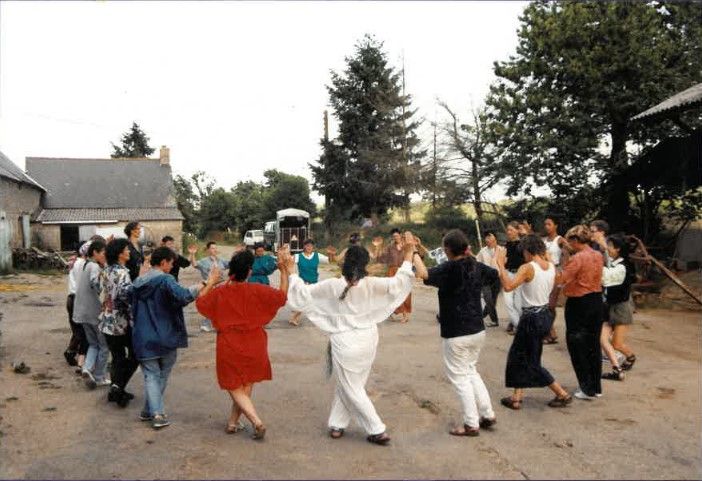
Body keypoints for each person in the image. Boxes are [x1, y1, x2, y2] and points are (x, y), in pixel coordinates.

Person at [285, 233, 425, 445]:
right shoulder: (372, 284)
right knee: (351, 384)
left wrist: (291, 272)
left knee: (352, 386)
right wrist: (408, 255)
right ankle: (337, 424)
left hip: (346, 343)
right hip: (368, 340)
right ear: (365, 264)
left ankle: (376, 429)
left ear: (344, 262)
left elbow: (301, 294)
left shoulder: (333, 285)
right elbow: (400, 282)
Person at [195, 249, 289, 440]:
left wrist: (211, 281)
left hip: (229, 343)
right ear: (248, 271)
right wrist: (284, 271)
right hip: (255, 343)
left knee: (233, 385)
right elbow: (282, 296)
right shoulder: (257, 290)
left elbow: (201, 303)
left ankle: (256, 421)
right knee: (245, 384)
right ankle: (232, 422)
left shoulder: (221, 292)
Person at [416, 229, 498, 436]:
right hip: (477, 328)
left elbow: (424, 274)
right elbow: (494, 275)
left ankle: (471, 423)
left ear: (447, 250)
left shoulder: (449, 268)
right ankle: (487, 414)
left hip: (456, 332)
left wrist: (413, 252)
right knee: (471, 371)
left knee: (460, 378)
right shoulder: (475, 265)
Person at [131, 247, 218, 429]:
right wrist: (206, 283)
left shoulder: (138, 282)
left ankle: (150, 410)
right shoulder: (165, 279)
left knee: (151, 375)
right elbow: (184, 295)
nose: (172, 267)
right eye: (171, 263)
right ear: (163, 263)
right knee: (160, 374)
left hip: (142, 336)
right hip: (165, 335)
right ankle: (157, 414)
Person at [495, 235, 572, 410]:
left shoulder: (528, 267)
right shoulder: (551, 267)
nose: (523, 256)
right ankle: (516, 397)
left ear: (528, 251)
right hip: (544, 314)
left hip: (531, 318)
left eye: (524, 252)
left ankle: (561, 393)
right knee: (525, 356)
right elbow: (557, 287)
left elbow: (508, 286)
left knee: (526, 360)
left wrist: (500, 265)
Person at [556, 225, 604, 400]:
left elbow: (562, 279)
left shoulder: (578, 258)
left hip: (579, 303)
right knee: (593, 345)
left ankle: (586, 386)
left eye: (571, 241)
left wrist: (564, 260)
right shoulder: (598, 255)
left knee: (577, 345)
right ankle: (595, 386)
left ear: (575, 240)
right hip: (596, 300)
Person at [100, 238, 146, 407]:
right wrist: (140, 281)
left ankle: (117, 388)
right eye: (126, 249)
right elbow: (127, 296)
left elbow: (103, 292)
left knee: (118, 357)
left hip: (107, 320)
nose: (129, 252)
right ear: (120, 254)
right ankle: (118, 389)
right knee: (134, 355)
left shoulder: (107, 270)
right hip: (121, 322)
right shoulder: (122, 273)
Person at [73, 239, 111, 389]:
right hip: (94, 313)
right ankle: (99, 376)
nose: (104, 256)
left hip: (82, 312)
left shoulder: (85, 264)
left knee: (93, 344)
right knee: (104, 346)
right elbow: (96, 285)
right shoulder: (95, 267)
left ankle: (87, 369)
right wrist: (105, 274)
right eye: (103, 253)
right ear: (95, 253)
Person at [600, 235, 637, 381]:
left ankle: (630, 357)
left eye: (610, 246)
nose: (607, 248)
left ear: (618, 249)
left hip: (621, 308)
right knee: (602, 339)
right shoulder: (614, 263)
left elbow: (607, 278)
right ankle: (617, 368)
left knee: (616, 343)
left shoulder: (622, 267)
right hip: (610, 307)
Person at [371, 228, 413, 323]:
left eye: (396, 236)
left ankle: (405, 314)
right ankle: (390, 313)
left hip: (404, 270)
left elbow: (413, 255)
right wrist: (377, 247)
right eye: (393, 236)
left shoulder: (406, 246)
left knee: (405, 292)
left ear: (400, 235)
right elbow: (381, 258)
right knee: (392, 292)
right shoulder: (390, 247)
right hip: (392, 271)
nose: (395, 238)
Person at [189, 241, 229, 332]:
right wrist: (192, 254)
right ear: (208, 250)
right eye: (212, 248)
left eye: (215, 248)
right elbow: (195, 264)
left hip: (221, 286)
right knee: (212, 305)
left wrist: (238, 254)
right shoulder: (204, 261)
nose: (214, 250)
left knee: (221, 306)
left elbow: (232, 264)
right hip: (210, 286)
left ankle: (218, 324)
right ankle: (206, 324)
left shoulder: (221, 260)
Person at [289, 239, 330, 326]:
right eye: (307, 245)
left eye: (311, 246)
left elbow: (329, 260)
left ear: (313, 247)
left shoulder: (317, 255)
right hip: (303, 283)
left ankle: (296, 317)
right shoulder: (298, 256)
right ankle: (294, 318)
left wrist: (331, 254)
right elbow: (289, 263)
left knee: (312, 301)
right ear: (304, 246)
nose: (309, 247)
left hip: (314, 283)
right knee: (306, 301)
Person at [542, 215, 569, 344]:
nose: (546, 227)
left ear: (555, 225)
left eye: (549, 224)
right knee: (545, 304)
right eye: (545, 224)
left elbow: (569, 252)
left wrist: (563, 270)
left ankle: (550, 332)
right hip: (545, 271)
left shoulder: (560, 240)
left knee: (551, 304)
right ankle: (550, 332)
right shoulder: (544, 240)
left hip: (556, 271)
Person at [64, 241, 89, 369]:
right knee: (81, 331)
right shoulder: (83, 264)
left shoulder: (76, 262)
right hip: (77, 299)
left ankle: (72, 352)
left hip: (72, 298)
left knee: (77, 330)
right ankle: (74, 354)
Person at [475, 231, 503, 327]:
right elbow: (476, 261)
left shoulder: (502, 249)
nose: (487, 239)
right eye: (486, 237)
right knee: (488, 299)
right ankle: (494, 320)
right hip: (485, 278)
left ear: (495, 238)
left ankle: (482, 315)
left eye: (489, 237)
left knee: (493, 301)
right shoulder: (483, 251)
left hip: (497, 278)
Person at [503, 221, 525, 333]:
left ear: (517, 230)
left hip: (519, 274)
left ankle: (519, 325)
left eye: (511, 229)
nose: (508, 232)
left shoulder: (522, 244)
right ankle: (518, 325)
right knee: (508, 302)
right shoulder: (506, 244)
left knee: (518, 303)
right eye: (508, 230)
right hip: (508, 273)